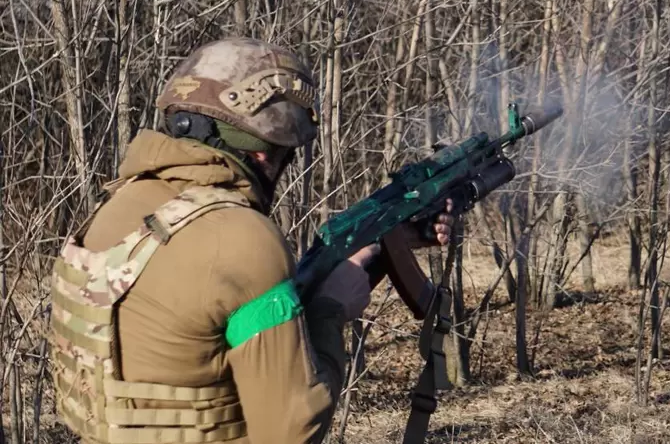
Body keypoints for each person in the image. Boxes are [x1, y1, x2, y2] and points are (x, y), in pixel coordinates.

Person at [48, 37, 454, 444]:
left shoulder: (116, 208)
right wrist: (330, 311)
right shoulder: (242, 239)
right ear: (264, 152)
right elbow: (293, 431)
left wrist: (390, 242)